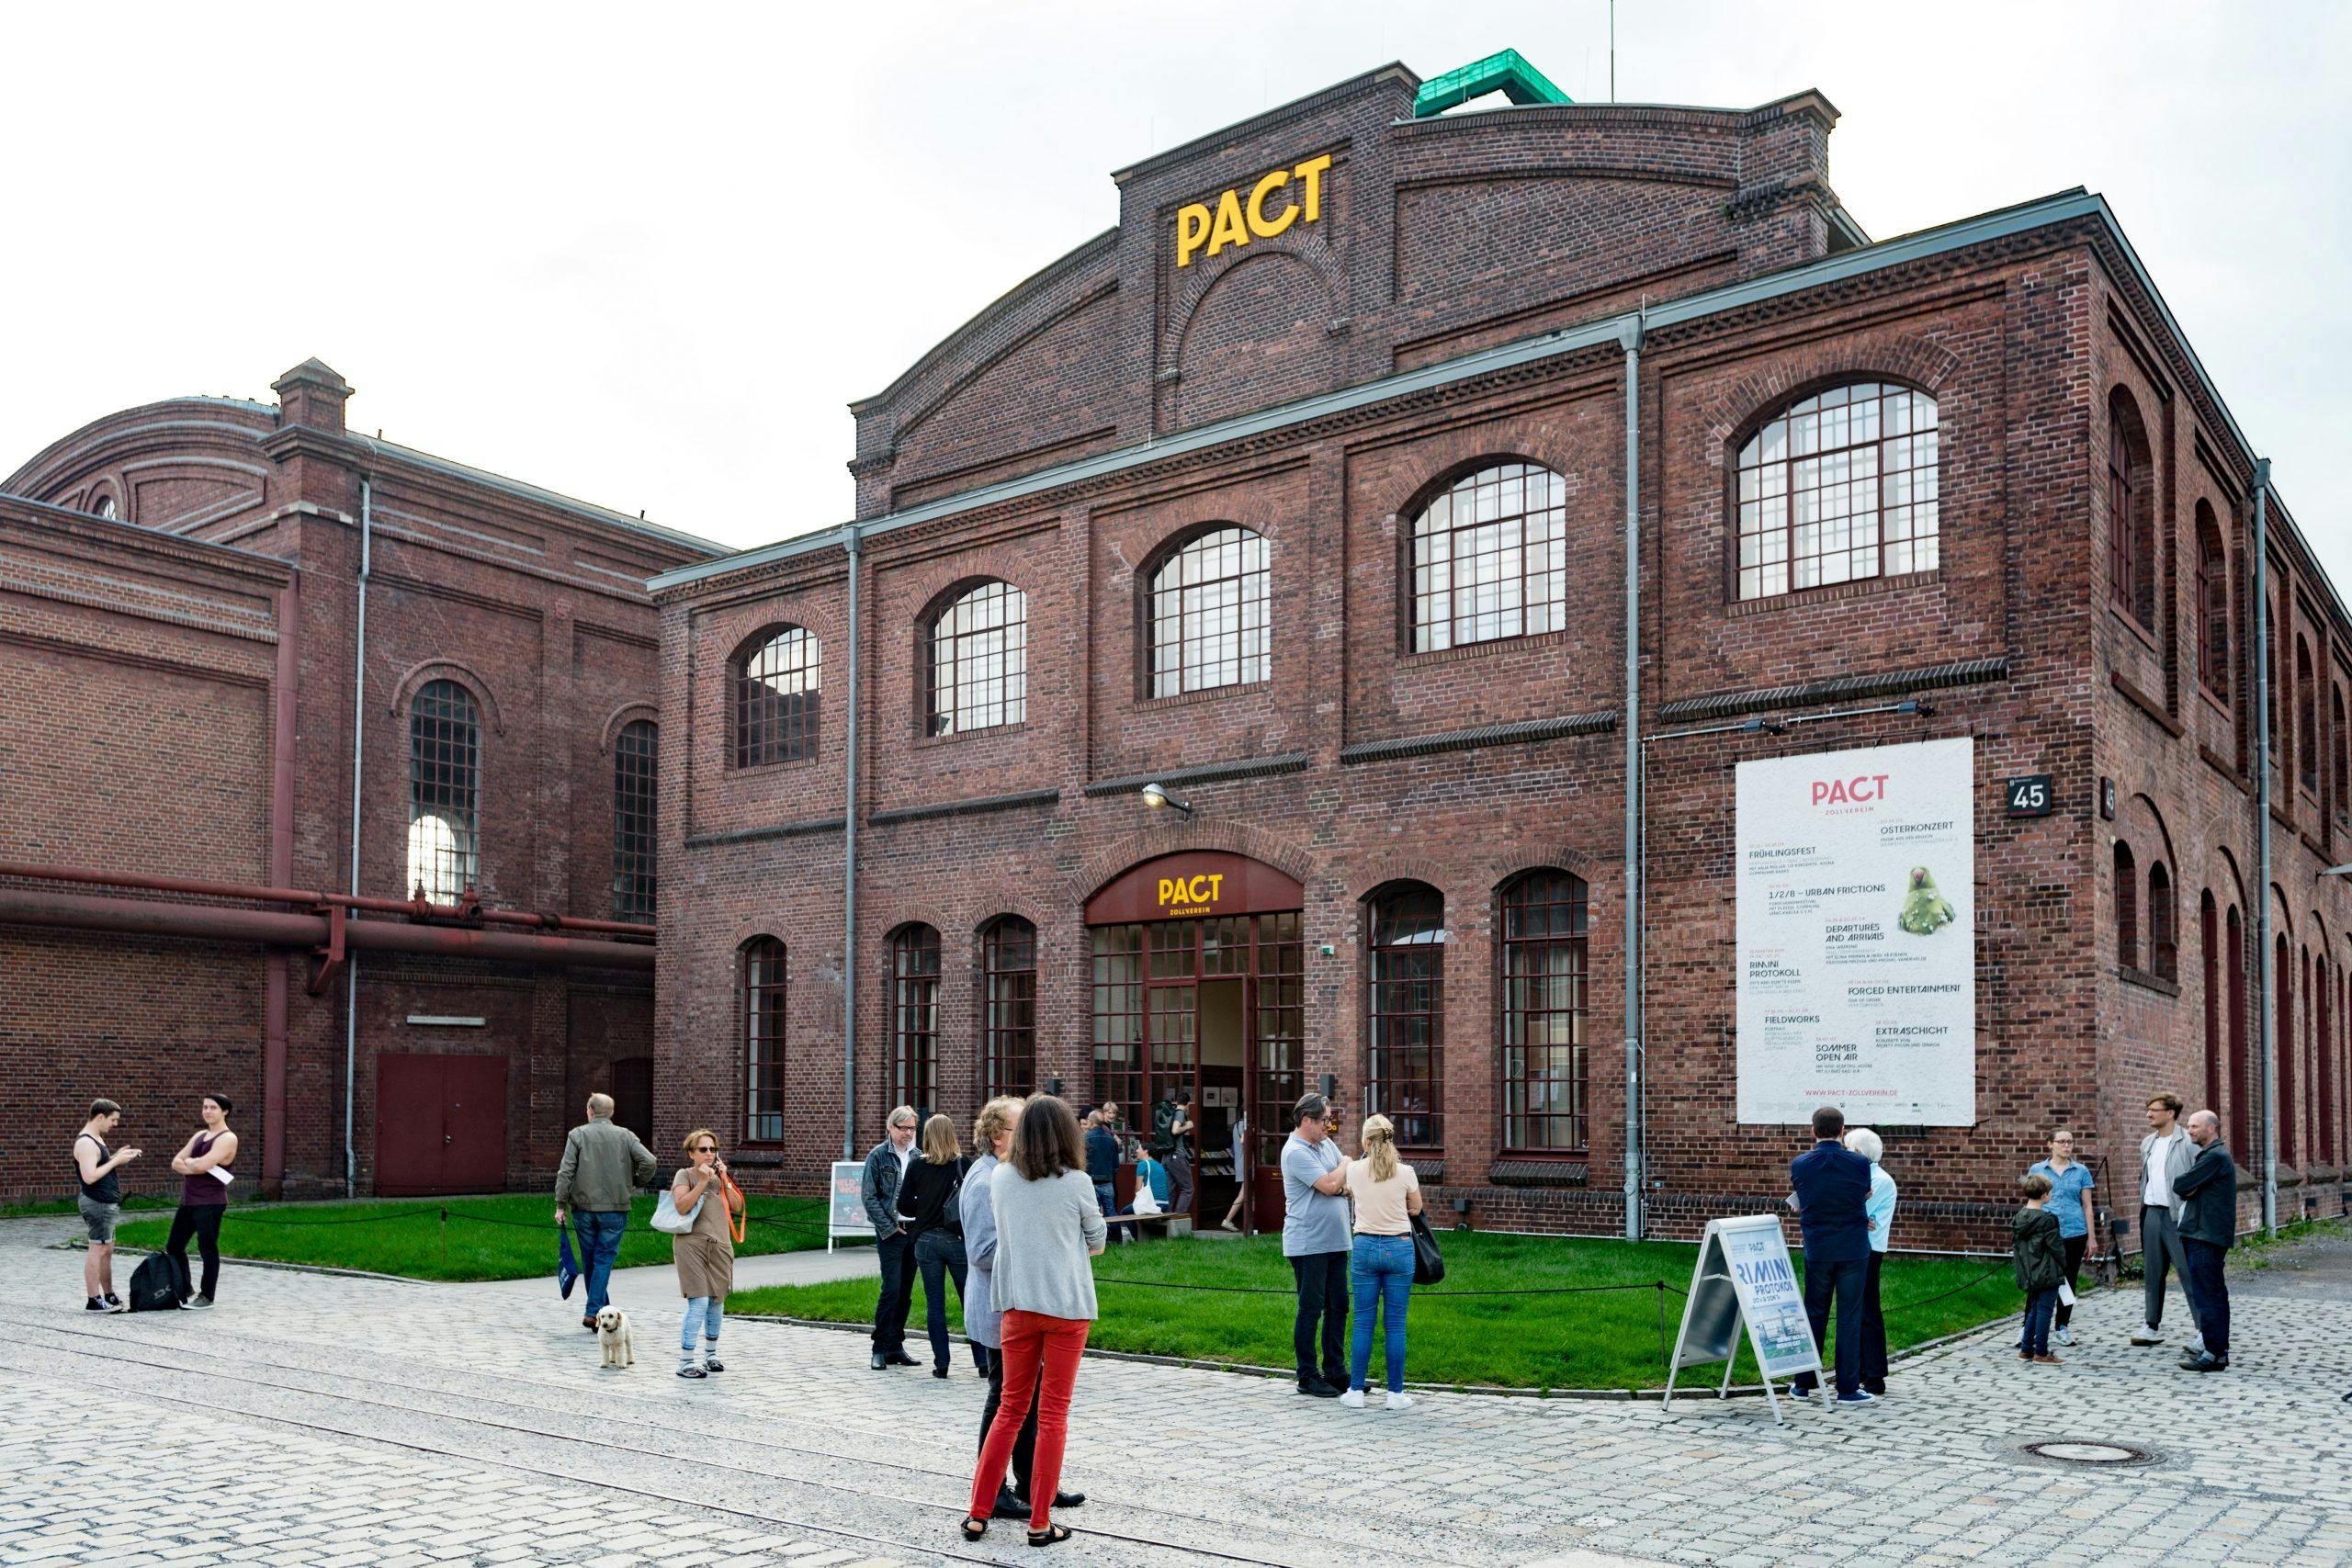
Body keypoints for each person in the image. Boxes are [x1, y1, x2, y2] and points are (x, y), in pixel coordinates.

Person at [963, 1095, 1107, 1549]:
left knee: (1009, 1410)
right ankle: (1040, 1521)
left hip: (1017, 1306)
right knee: (1052, 1416)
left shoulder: (1000, 1178)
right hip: (1065, 1308)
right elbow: (1098, 1240)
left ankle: (978, 1513)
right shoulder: (1078, 1182)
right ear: (1067, 1134)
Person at [1787, 1105, 1873, 1404]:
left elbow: (1806, 1196)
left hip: (1818, 1247)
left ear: (1813, 1132)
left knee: (1814, 1313)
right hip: (1852, 1247)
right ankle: (1847, 1389)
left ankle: (1803, 1384)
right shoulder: (1860, 1163)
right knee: (1849, 1317)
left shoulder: (1800, 1164)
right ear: (1843, 1130)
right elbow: (1863, 1193)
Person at [553, 1091, 658, 1331]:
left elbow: (565, 1172)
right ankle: (599, 1311)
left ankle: (594, 1312)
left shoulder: (577, 1135)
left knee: (592, 1259)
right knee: (602, 1260)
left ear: (590, 1110)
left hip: (583, 1208)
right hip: (615, 1208)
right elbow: (649, 1162)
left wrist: (560, 1204)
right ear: (611, 1113)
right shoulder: (625, 1135)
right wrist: (634, 1182)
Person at [1340, 1113, 1421, 1410]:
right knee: (1396, 1324)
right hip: (1399, 1247)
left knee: (1363, 1322)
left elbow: (1348, 1190)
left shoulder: (1354, 1171)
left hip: (1364, 1247)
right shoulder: (1406, 1172)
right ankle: (1395, 1394)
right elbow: (1416, 1207)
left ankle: (1356, 1391)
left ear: (1366, 1140)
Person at [898, 1113, 980, 1378]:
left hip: (925, 1239)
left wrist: (923, 1204)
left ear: (927, 1137)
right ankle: (983, 1362)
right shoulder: (963, 1164)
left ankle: (941, 1364)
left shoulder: (917, 1166)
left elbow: (904, 1206)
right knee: (970, 1300)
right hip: (956, 1239)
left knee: (935, 1303)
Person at [1281, 1091, 1351, 1398]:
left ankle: (1335, 1371)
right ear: (1306, 1120)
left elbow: (1343, 1185)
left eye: (1330, 1119)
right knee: (1311, 1309)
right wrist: (1345, 1165)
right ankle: (1307, 1374)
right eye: (1324, 1120)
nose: (1329, 1125)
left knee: (1339, 1305)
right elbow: (1331, 1184)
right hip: (1309, 1243)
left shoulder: (1324, 1143)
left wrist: (1337, 1181)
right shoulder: (1296, 1151)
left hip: (1336, 1240)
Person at [2132, 1092, 2200, 1351]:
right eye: (2148, 1109)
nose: (2149, 1114)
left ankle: (2203, 1329)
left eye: (2154, 1110)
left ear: (2170, 1113)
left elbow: (2199, 1177)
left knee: (2188, 1272)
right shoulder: (2147, 1143)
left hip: (2178, 1216)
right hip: (2152, 1213)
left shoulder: (2187, 1143)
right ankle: (2151, 1325)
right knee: (2152, 1272)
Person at [669, 1130, 741, 1379]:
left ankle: (711, 1354)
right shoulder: (684, 1175)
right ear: (691, 1153)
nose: (709, 1154)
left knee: (717, 1301)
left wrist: (723, 1176)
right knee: (698, 1301)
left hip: (720, 1244)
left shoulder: (720, 1176)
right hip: (692, 1245)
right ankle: (686, 1361)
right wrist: (701, 1181)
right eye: (703, 1150)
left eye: (712, 1149)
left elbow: (737, 1206)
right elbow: (681, 1206)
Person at [2174, 1110, 2237, 1372]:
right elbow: (2188, 1187)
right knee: (2213, 1294)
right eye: (2188, 1126)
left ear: (2211, 1129)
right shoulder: (2212, 1156)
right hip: (2204, 1232)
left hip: (2205, 1234)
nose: (2189, 1131)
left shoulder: (2214, 1157)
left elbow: (2180, 1184)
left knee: (2208, 1295)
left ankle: (2213, 1353)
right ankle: (2217, 1352)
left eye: (2194, 1126)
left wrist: (2191, 1187)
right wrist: (2192, 1187)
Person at [861, 1106, 922, 1370]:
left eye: (912, 1128)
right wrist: (888, 1227)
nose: (908, 1133)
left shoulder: (919, 1157)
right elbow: (869, 1196)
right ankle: (880, 1347)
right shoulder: (878, 1156)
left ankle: (896, 1346)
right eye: (903, 1128)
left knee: (906, 1291)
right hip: (891, 1232)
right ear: (891, 1128)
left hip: (913, 1231)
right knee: (891, 1289)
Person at [164, 1093, 238, 1311]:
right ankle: (185, 1289)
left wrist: (193, 1164)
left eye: (213, 1107)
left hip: (210, 1202)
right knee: (174, 1246)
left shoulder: (227, 1138)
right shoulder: (199, 1135)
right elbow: (175, 1162)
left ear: (224, 1111)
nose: (207, 1111)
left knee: (207, 1248)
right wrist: (194, 1163)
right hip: (189, 1200)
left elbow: (200, 1167)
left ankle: (207, 1296)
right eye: (205, 1107)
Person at [2028, 1128, 2098, 1346]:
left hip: (2074, 1233)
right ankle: (2028, 1329)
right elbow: (2032, 1202)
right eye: (2062, 1141)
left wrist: (2092, 1238)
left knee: (2068, 1281)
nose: (2067, 1146)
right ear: (2050, 1144)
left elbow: (2087, 1206)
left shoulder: (2081, 1171)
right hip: (2044, 1234)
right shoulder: (2038, 1169)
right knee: (2038, 1281)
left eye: (2070, 1142)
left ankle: (2062, 1327)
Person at [74, 1098, 140, 1312]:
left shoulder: (96, 1138)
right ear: (100, 1117)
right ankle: (94, 1300)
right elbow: (90, 1176)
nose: (115, 1124)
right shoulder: (85, 1142)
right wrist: (116, 1161)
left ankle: (109, 1296)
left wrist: (118, 1156)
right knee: (97, 1249)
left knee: (106, 1249)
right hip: (98, 1203)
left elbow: (99, 1165)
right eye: (113, 1120)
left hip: (106, 1203)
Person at [1845, 1126, 1895, 1397]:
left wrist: (1855, 1215)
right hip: (1856, 1246)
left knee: (1868, 1311)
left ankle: (1874, 1375)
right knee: (1857, 1311)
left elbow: (1852, 1209)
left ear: (1857, 1152)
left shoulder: (1880, 1180)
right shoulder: (1860, 1177)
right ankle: (1860, 1371)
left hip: (1869, 1251)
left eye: (1847, 1149)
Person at [2012, 1171, 2067, 1364]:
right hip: (2046, 1271)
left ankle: (2027, 1349)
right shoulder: (2047, 1220)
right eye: (2049, 1192)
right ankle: (2041, 1352)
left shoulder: (2020, 1217)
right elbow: (2057, 1248)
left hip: (2029, 1270)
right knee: (2044, 1310)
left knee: (2034, 1309)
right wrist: (2064, 1266)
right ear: (2044, 1195)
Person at [1083, 1108, 1123, 1245]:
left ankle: (1096, 1242)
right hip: (1107, 1181)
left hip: (1091, 1181)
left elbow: (1081, 1161)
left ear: (1091, 1121)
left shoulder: (1085, 1139)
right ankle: (1117, 1239)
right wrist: (1110, 1176)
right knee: (1111, 1210)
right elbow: (1116, 1164)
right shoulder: (1111, 1140)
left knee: (1094, 1213)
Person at [1165, 1098, 1196, 1219]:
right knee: (1188, 1189)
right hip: (1177, 1155)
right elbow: (1175, 1130)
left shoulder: (1170, 1113)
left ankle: (1167, 1220)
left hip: (1166, 1156)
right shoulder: (1180, 1113)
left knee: (1169, 1191)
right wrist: (1188, 1125)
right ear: (1188, 1103)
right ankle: (1178, 1220)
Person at [1220, 1111, 1250, 1231]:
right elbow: (1244, 1140)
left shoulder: (1236, 1125)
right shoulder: (1246, 1124)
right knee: (1243, 1194)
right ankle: (1228, 1220)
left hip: (1239, 1162)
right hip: (1246, 1162)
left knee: (1248, 1193)